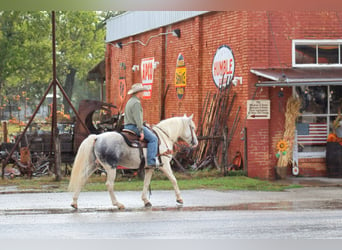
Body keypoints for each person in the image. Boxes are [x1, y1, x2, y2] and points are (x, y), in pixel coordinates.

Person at [124, 83, 160, 169]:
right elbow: (138, 119)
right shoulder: (136, 103)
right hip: (134, 127)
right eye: (142, 92)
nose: (143, 93)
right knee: (153, 139)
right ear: (138, 92)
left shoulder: (129, 101)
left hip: (127, 126)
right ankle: (151, 161)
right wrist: (141, 131)